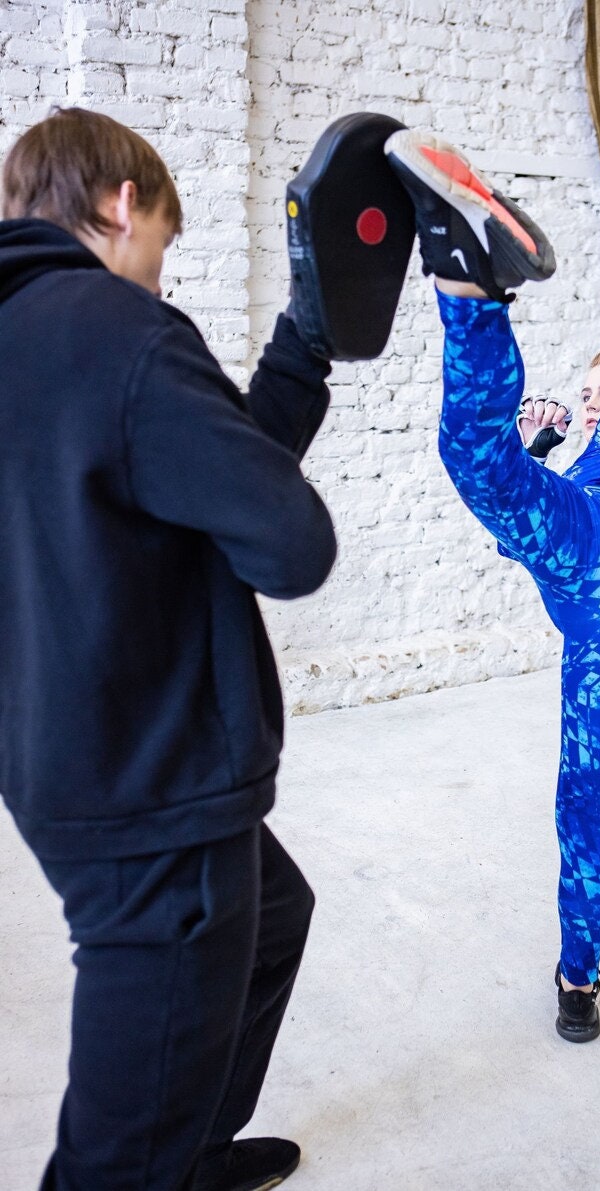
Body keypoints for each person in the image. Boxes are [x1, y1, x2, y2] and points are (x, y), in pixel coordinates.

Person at [0, 107, 338, 1190]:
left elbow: (210, 469)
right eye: (162, 243)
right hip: (149, 788)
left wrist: (306, 343)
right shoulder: (120, 328)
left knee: (273, 918)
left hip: (56, 759)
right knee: (117, 1156)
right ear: (122, 204)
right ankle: (165, 1165)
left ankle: (191, 1158)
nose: (158, 273)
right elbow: (289, 544)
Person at [385, 130, 600, 1043]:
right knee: (583, 807)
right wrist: (539, 454)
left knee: (476, 459)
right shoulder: (585, 464)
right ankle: (580, 975)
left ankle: (472, 284)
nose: (593, 402)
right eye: (588, 393)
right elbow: (522, 545)